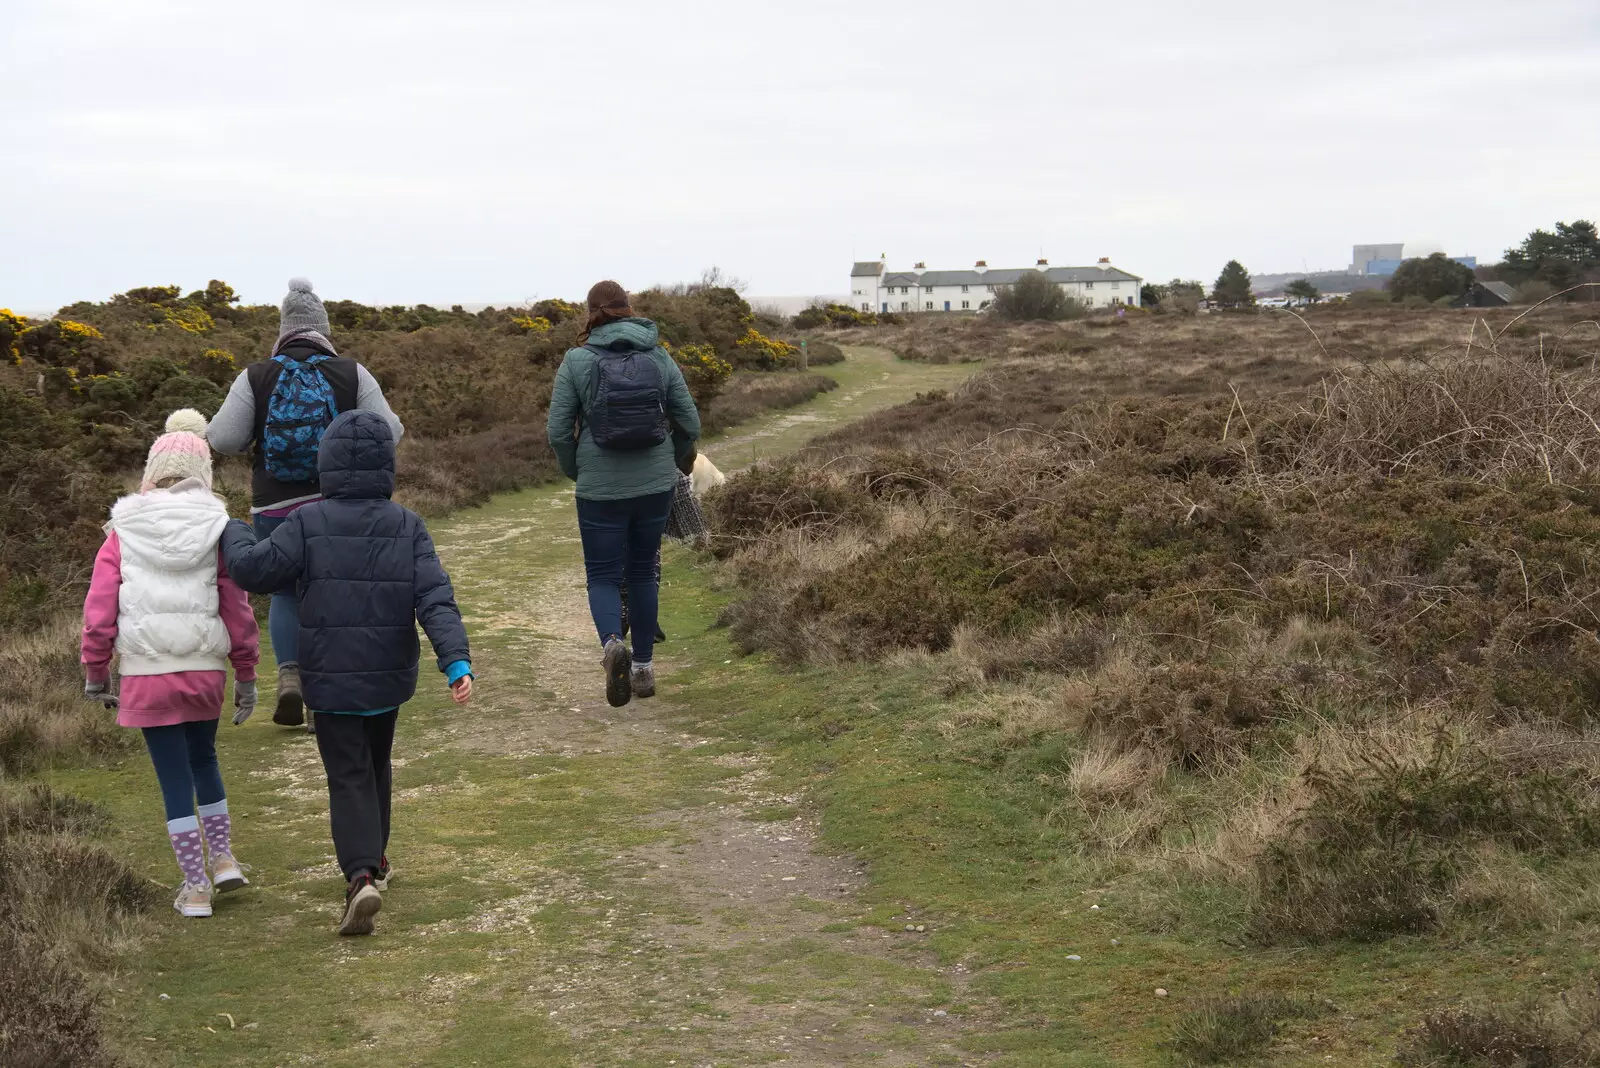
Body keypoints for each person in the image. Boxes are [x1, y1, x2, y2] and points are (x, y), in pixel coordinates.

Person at [220, 409, 472, 936]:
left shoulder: (306, 523)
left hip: (329, 677)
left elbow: (253, 570)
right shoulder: (408, 525)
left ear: (326, 464)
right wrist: (455, 661)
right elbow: (435, 597)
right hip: (388, 676)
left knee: (349, 775)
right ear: (387, 466)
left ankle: (361, 876)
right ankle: (374, 861)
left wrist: (235, 531)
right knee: (375, 765)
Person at [80, 410, 260, 919]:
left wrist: (97, 673)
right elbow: (237, 610)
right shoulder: (219, 530)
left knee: (172, 776)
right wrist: (245, 674)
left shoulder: (121, 531)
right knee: (205, 759)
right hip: (205, 669)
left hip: (145, 672)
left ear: (150, 472)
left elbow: (98, 614)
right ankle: (223, 860)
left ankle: (195, 886)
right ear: (204, 477)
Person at [207, 278, 405, 733]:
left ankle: (291, 674)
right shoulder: (351, 373)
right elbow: (390, 432)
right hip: (340, 501)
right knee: (334, 589)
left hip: (274, 505)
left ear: (283, 329)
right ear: (323, 329)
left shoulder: (255, 376)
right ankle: (326, 694)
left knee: (284, 591)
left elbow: (223, 438)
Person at [547, 281, 701, 708]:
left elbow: (558, 431)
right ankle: (643, 669)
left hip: (599, 487)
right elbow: (689, 419)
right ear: (629, 309)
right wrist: (676, 459)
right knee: (642, 571)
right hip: (655, 484)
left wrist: (578, 470)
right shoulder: (659, 354)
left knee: (602, 575)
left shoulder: (576, 360)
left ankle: (613, 642)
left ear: (591, 313)